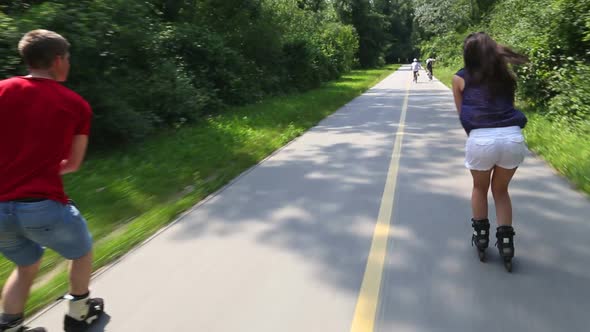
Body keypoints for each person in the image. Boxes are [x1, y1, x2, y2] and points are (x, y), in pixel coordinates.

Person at [0, 30, 104, 332]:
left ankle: (10, 326)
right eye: (68, 58)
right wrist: (39, 168)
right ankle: (79, 313)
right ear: (58, 61)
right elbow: (73, 164)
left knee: (26, 265)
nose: (68, 64)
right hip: (41, 206)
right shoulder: (75, 104)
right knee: (81, 251)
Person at [451, 32, 528, 272]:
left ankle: (482, 237)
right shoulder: (506, 76)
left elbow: (464, 115)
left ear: (468, 55)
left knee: (480, 188)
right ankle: (506, 243)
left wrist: (476, 139)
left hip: (481, 139)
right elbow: (508, 106)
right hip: (513, 137)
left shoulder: (459, 79)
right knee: (501, 190)